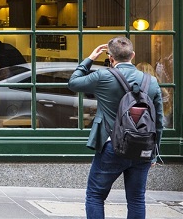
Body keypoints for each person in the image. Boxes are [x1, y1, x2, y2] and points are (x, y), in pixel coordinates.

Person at [68, 37, 164, 219]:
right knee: (137, 199)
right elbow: (159, 121)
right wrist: (154, 152)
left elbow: (73, 83)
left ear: (110, 58)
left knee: (95, 196)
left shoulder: (104, 76)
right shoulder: (151, 82)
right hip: (143, 148)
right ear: (132, 55)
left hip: (111, 146)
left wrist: (90, 58)